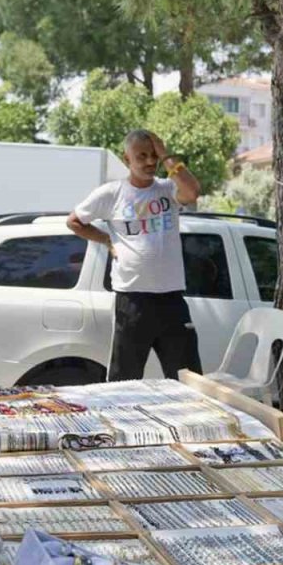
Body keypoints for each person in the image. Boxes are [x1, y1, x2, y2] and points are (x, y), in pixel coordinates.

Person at [69, 129, 202, 381]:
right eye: (141, 156)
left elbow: (193, 192)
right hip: (132, 299)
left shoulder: (167, 189)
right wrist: (106, 239)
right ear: (126, 158)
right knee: (124, 380)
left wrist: (166, 155)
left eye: (154, 155)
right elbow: (75, 221)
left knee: (189, 379)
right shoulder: (111, 194)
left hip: (171, 299)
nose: (150, 162)